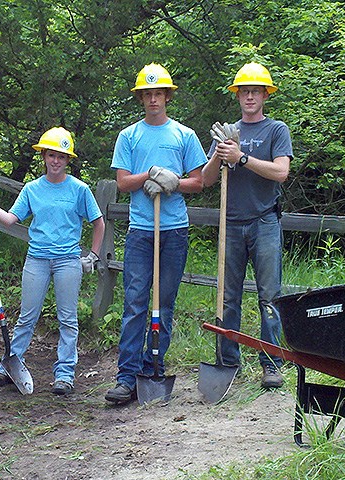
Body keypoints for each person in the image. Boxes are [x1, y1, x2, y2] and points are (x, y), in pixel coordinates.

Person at [0, 127, 105, 396]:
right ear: (43, 156)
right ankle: (9, 365)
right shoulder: (33, 189)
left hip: (67, 260)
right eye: (51, 155)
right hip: (37, 259)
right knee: (27, 317)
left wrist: (93, 256)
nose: (56, 161)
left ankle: (64, 375)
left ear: (68, 160)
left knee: (68, 319)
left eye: (61, 157)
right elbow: (9, 219)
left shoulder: (79, 189)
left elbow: (98, 223)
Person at [105, 64, 207, 405]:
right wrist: (148, 174)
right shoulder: (129, 136)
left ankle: (154, 366)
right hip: (141, 232)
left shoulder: (184, 135)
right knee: (135, 302)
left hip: (174, 230)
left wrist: (174, 181)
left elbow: (200, 180)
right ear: (141, 98)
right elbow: (122, 182)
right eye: (147, 94)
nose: (153, 99)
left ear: (167, 97)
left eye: (158, 93)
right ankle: (127, 375)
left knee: (164, 303)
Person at [201, 62, 293, 388]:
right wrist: (220, 152)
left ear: (265, 94)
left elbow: (281, 172)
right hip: (231, 224)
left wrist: (241, 157)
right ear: (237, 95)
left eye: (255, 91)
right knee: (227, 297)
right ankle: (228, 363)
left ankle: (271, 363)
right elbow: (206, 179)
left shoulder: (276, 130)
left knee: (269, 295)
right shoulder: (226, 132)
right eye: (244, 91)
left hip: (264, 221)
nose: (250, 96)